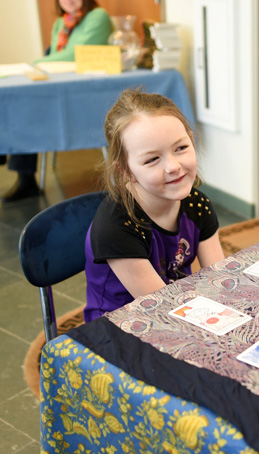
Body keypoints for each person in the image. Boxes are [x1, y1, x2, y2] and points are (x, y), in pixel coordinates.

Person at [83, 90, 225, 322]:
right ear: (126, 170)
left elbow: (219, 279)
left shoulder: (197, 205)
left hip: (178, 307)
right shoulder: (116, 228)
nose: (173, 166)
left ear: (191, 139)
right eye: (151, 159)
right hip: (123, 327)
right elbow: (163, 309)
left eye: (181, 148)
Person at [2, 0, 113, 202]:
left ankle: (23, 175)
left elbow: (73, 56)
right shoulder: (60, 23)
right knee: (23, 107)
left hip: (83, 95)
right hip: (59, 89)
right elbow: (56, 57)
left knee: (29, 108)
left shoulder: (98, 17)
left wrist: (34, 64)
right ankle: (24, 176)